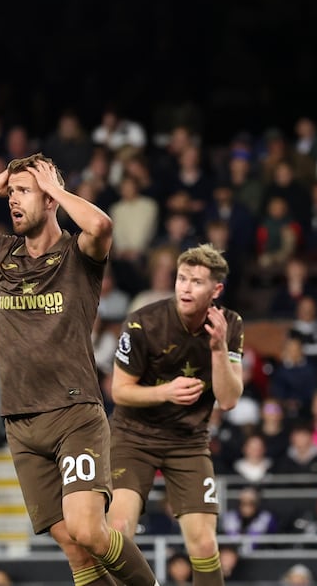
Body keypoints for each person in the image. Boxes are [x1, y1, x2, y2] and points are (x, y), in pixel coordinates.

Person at [0, 152, 159, 585]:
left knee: (87, 529)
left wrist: (57, 190)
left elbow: (101, 226)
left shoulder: (77, 254)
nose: (13, 200)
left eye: (23, 191)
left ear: (48, 200)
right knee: (75, 549)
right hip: (20, 421)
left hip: (73, 413)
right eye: (11, 193)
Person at [106, 244, 244, 586]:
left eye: (196, 282)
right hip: (132, 436)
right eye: (182, 278)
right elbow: (119, 391)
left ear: (216, 290)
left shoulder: (229, 325)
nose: (185, 287)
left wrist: (218, 349)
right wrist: (164, 392)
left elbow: (228, 400)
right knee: (118, 530)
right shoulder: (142, 322)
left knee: (204, 542)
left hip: (188, 442)